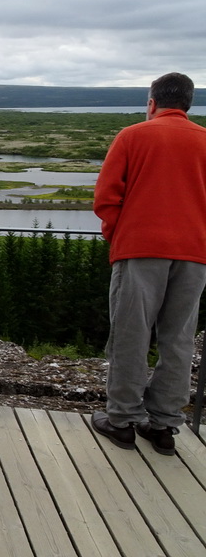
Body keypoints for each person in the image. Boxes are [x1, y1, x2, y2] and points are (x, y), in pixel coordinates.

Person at [91, 73, 206, 456]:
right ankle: (164, 426)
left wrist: (119, 235)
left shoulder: (133, 136)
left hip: (139, 251)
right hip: (195, 253)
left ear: (152, 102)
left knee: (131, 334)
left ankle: (122, 420)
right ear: (188, 104)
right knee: (178, 339)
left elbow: (106, 199)